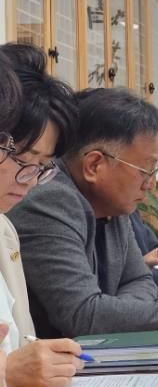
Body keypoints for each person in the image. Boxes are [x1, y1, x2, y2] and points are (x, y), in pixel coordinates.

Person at [8, 88, 158, 338]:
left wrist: (115, 311)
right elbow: (84, 315)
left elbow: (140, 279)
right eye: (145, 170)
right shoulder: (49, 200)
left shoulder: (110, 204)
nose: (151, 184)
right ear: (94, 165)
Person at [0, 43, 84, 386]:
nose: (29, 181)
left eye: (41, 167)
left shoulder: (4, 231)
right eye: (22, 160)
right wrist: (8, 374)